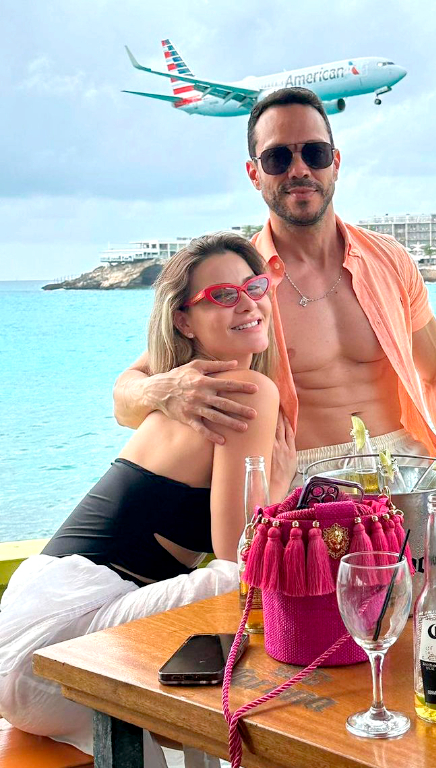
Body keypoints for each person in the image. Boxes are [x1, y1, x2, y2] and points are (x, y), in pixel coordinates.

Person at [113, 86, 436, 528]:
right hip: (304, 483)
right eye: (277, 158)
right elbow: (124, 397)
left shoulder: (389, 260)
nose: (299, 169)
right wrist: (164, 392)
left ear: (335, 163)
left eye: (315, 153)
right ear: (254, 173)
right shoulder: (241, 285)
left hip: (407, 467)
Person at [0, 233, 295, 766]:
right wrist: (278, 484)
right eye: (222, 296)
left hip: (31, 626)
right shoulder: (243, 389)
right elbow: (239, 553)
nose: (248, 303)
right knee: (246, 584)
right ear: (184, 321)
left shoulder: (190, 382)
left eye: (255, 287)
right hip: (54, 645)